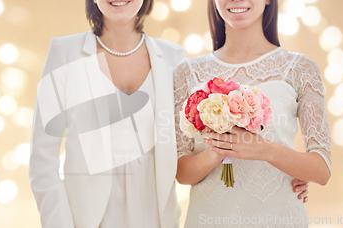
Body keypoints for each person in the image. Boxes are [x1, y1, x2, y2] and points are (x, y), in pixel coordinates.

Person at [29, 0, 311, 228]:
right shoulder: (65, 52)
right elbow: (42, 160)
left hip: (157, 215)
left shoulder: (173, 58)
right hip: (85, 217)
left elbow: (195, 138)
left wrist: (286, 170)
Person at [174, 0, 331, 227]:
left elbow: (322, 169)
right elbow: (181, 172)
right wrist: (215, 153)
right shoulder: (186, 72)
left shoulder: (301, 69)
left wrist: (264, 150)